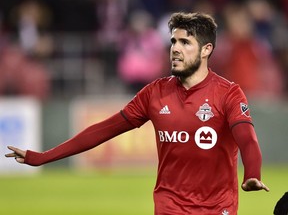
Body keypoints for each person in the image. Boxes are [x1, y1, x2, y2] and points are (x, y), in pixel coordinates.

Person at [5, 12, 269, 215]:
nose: (175, 48)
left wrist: (252, 173)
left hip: (217, 206)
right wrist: (43, 157)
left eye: (185, 42)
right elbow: (102, 130)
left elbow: (247, 138)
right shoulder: (154, 93)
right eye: (173, 41)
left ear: (206, 50)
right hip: (170, 205)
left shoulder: (228, 93)